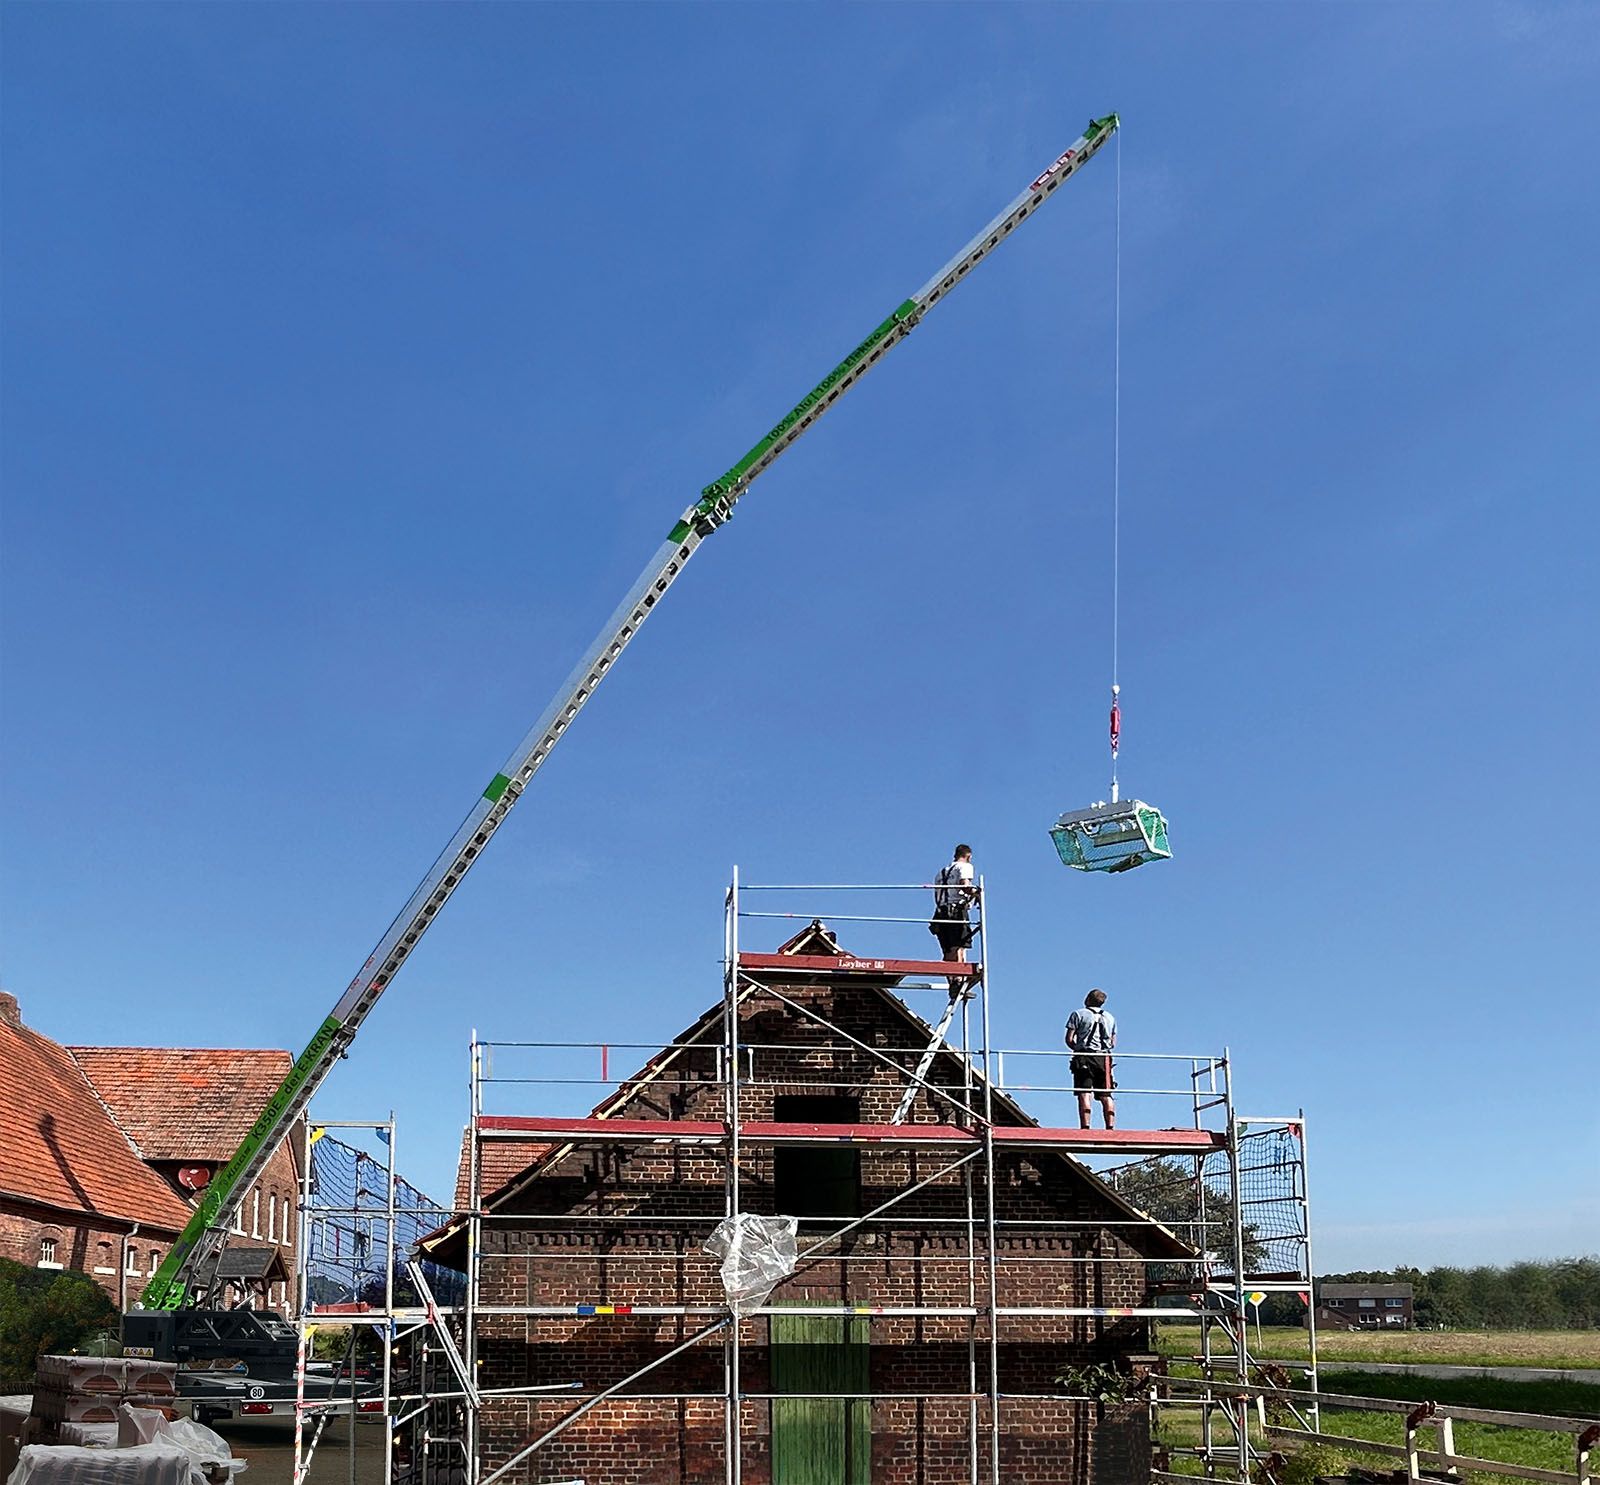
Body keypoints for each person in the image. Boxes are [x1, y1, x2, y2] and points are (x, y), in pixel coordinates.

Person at [1064, 988, 1116, 1130]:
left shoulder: (1078, 1014)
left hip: (1084, 1057)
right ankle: (1110, 1127)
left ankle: (1085, 1126)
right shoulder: (1110, 1018)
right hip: (1104, 1059)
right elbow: (1113, 1042)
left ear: (1087, 999)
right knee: (1106, 1094)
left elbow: (1069, 1039)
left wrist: (1077, 1049)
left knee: (1084, 1092)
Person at [929, 844, 977, 994]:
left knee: (948, 949)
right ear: (968, 856)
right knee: (959, 947)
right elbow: (965, 886)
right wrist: (977, 893)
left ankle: (952, 981)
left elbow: (936, 896)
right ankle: (958, 980)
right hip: (956, 911)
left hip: (940, 913)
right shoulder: (965, 867)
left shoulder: (940, 873)